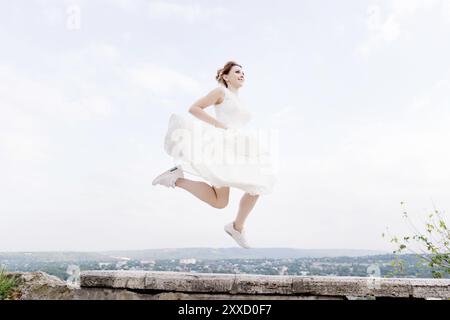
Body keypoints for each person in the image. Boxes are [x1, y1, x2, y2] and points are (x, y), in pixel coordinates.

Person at [152, 61, 277, 248]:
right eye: (237, 72)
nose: (242, 75)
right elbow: (194, 108)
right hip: (223, 146)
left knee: (235, 195)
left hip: (239, 146)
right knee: (245, 190)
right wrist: (219, 126)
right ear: (226, 77)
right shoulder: (221, 92)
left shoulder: (240, 100)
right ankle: (176, 179)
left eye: (243, 72)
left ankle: (236, 227)